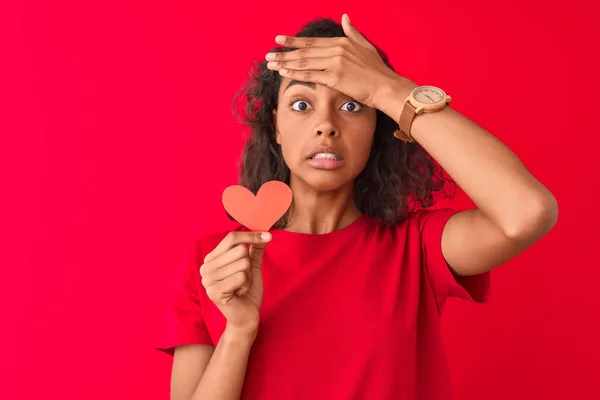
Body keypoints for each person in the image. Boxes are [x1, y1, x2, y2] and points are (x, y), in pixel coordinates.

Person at [156, 15, 558, 400]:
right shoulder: (216, 262)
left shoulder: (415, 247)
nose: (326, 124)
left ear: (376, 128)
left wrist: (390, 90)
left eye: (352, 106)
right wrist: (239, 332)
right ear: (276, 125)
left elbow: (527, 212)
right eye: (301, 104)